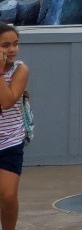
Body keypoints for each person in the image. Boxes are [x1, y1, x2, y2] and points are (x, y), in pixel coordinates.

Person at [0, 23, 29, 230]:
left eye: (15, 44)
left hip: (10, 139)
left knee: (8, 195)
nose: (12, 49)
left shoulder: (20, 69)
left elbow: (8, 101)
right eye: (5, 45)